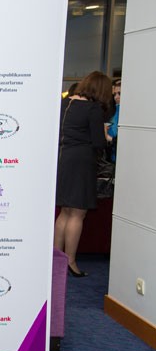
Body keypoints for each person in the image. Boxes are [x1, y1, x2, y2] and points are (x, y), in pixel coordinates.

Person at [54, 71, 112, 277]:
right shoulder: (93, 109)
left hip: (63, 159)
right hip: (82, 161)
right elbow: (98, 142)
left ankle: (57, 259)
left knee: (64, 212)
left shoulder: (65, 103)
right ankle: (70, 261)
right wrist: (107, 138)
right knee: (78, 213)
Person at [105, 78, 121, 162]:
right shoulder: (112, 109)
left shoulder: (130, 111)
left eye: (119, 93)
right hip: (111, 153)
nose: (116, 97)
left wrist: (109, 138)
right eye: (114, 94)